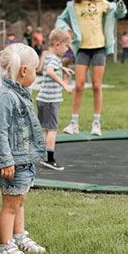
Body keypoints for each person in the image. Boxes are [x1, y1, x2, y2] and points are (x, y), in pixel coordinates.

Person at [0, 43, 46, 254]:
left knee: (19, 201)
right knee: (10, 206)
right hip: (11, 161)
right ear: (24, 71)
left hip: (23, 159)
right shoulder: (6, 97)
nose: (35, 74)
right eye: (35, 70)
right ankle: (5, 246)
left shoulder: (20, 94)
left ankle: (18, 237)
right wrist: (6, 161)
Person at [56, 0, 127, 136]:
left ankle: (96, 123)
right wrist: (67, 30)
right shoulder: (72, 6)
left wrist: (121, 7)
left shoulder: (101, 2)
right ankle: (74, 123)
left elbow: (117, 11)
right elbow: (60, 20)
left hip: (99, 48)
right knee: (79, 86)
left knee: (96, 85)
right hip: (82, 49)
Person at [36, 29, 73, 171]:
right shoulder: (53, 58)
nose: (67, 49)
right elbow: (50, 71)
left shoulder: (50, 56)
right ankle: (50, 160)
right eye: (66, 46)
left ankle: (45, 155)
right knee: (52, 130)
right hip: (50, 100)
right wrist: (64, 84)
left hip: (43, 99)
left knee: (47, 129)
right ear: (58, 45)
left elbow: (51, 67)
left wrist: (63, 68)